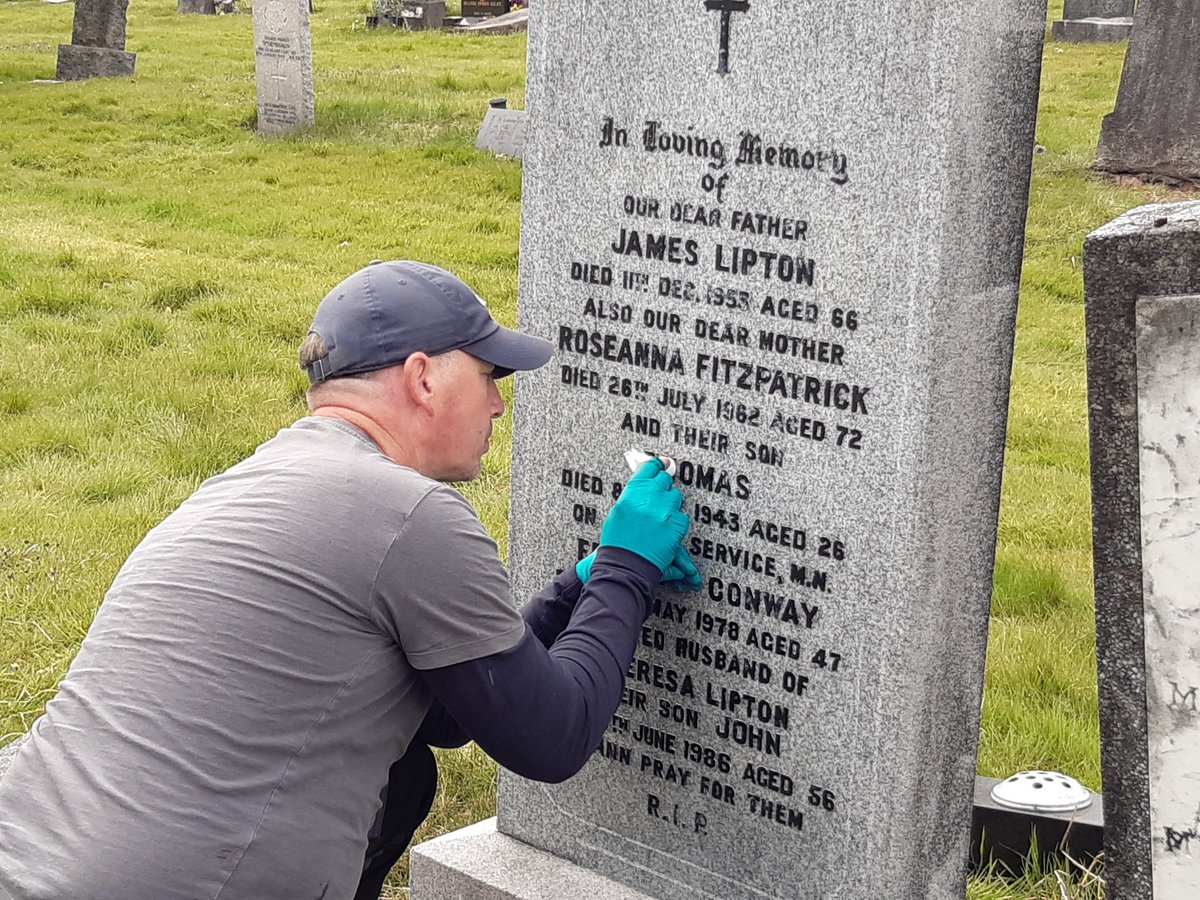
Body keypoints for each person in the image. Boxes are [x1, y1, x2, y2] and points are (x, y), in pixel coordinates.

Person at [0, 260, 701, 900]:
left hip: (33, 852)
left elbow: (450, 715)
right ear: (423, 377)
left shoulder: (254, 479)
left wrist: (583, 583)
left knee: (407, 776)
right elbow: (553, 738)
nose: (498, 404)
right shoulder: (413, 511)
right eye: (489, 374)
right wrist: (628, 565)